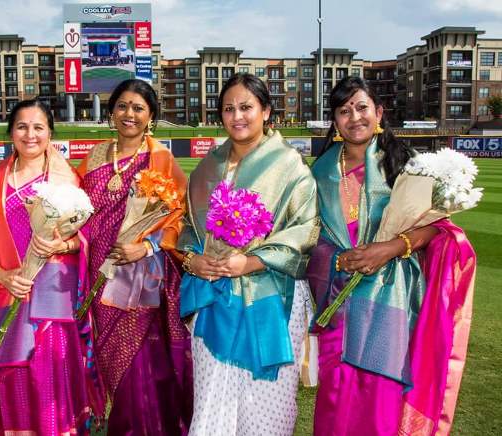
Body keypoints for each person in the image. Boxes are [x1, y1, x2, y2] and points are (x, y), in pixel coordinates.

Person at [307, 76, 476, 435]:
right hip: (338, 301)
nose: (354, 117)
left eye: (361, 107)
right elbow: (308, 238)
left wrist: (392, 247)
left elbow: (439, 228)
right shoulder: (318, 173)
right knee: (335, 398)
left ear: (379, 112)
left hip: (392, 303)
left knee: (381, 399)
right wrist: (336, 259)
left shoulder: (406, 164)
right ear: (334, 120)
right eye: (344, 110)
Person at [177, 73, 319, 435]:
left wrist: (251, 262)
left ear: (266, 111)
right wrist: (193, 260)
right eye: (229, 109)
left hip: (270, 296)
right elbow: (188, 226)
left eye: (246, 107)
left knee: (266, 406)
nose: (237, 116)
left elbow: (305, 230)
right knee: (212, 399)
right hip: (215, 296)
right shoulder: (208, 167)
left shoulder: (289, 166)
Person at [0, 99, 103, 435]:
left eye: (38, 127)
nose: (30, 134)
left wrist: (62, 245)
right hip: (8, 293)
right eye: (22, 126)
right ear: (10, 133)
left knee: (52, 380)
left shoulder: (66, 179)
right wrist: (0, 274)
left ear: (50, 134)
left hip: (53, 299)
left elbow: (86, 236)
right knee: (13, 380)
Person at [76, 79, 193, 435]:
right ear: (111, 112)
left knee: (143, 366)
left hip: (142, 279)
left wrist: (146, 247)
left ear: (151, 116)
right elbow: (77, 213)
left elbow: (179, 216)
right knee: (113, 363)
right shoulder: (93, 157)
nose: (130, 114)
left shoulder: (160, 159)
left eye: (138, 108)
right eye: (122, 106)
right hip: (98, 278)